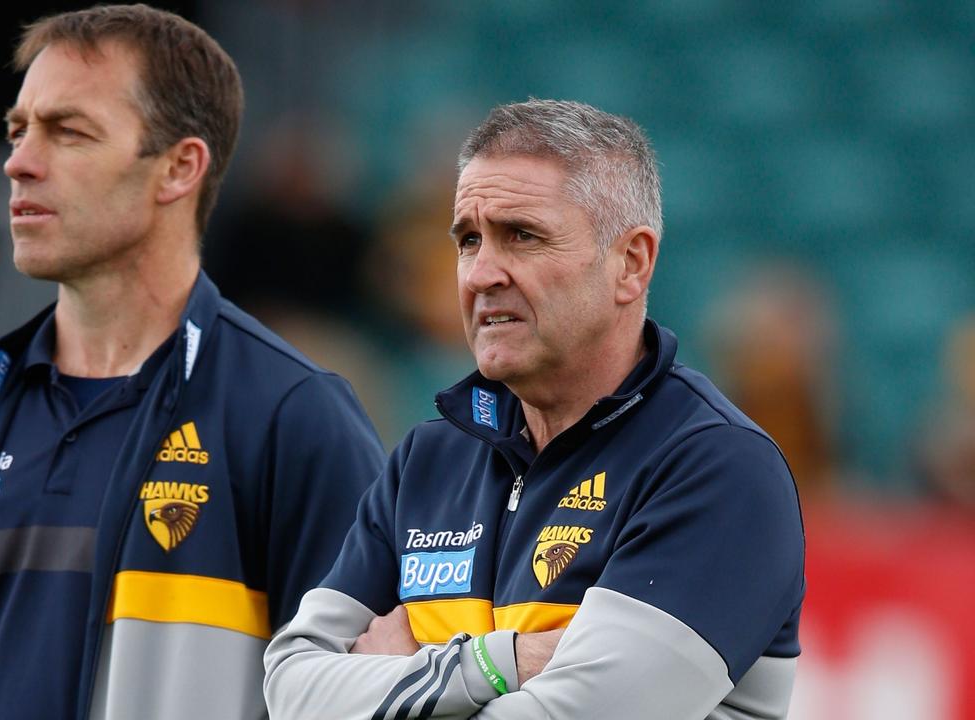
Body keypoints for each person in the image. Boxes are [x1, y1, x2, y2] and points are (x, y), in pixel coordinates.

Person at [0, 6, 385, 719]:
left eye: (67, 132)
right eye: (18, 130)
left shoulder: (292, 415)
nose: (19, 161)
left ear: (179, 168)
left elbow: (364, 694)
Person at [264, 99, 805, 719]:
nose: (480, 274)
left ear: (631, 263)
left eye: (521, 236)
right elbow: (289, 692)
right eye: (469, 240)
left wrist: (392, 679)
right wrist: (501, 663)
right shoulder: (428, 459)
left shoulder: (716, 467)